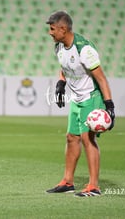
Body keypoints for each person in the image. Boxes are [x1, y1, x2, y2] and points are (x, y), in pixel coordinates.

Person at [44, 11, 115, 197]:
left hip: (91, 97)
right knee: (71, 137)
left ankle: (93, 186)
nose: (50, 33)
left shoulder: (84, 49)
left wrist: (110, 107)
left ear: (63, 29)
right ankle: (68, 182)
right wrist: (61, 84)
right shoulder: (59, 47)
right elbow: (64, 67)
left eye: (52, 29)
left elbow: (102, 79)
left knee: (87, 139)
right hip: (76, 99)